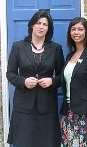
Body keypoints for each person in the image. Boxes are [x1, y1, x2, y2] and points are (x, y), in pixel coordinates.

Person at [6, 10, 64, 147]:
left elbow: (63, 76)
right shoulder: (18, 47)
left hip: (47, 107)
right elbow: (10, 73)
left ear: (48, 29)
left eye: (45, 24)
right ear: (32, 25)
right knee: (24, 142)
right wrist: (23, 81)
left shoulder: (56, 49)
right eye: (38, 23)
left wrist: (52, 81)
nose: (41, 26)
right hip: (23, 107)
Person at [60, 17, 87, 147]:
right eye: (73, 29)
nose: (76, 32)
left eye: (80, 29)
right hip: (68, 114)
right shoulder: (70, 56)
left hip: (86, 116)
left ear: (86, 32)